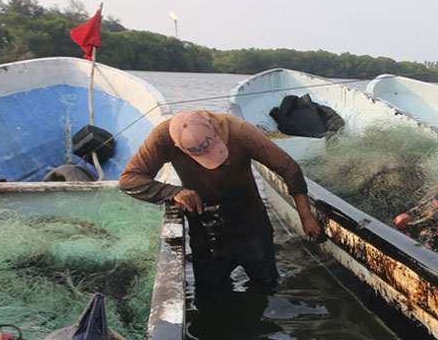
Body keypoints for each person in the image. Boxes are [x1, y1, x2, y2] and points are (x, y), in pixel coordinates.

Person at [119, 109, 321, 293]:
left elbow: (289, 167)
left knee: (267, 286)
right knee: (210, 294)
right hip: (206, 232)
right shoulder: (163, 138)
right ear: (177, 146)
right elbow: (129, 179)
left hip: (251, 225)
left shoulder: (239, 131)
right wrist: (172, 192)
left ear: (213, 129)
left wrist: (305, 216)